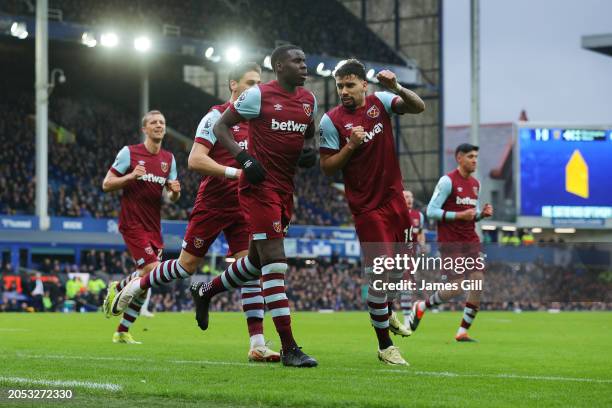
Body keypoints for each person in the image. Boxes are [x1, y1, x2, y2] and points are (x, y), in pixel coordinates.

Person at [113, 46, 318, 367]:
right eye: (248, 82)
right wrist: (237, 169)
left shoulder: (262, 112)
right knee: (186, 267)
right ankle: (139, 283)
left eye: (258, 81)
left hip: (248, 201)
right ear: (232, 85)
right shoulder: (217, 115)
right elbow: (195, 159)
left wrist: (307, 149)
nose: (255, 87)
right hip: (215, 201)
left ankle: (257, 343)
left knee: (252, 270)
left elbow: (298, 135)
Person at [319, 59, 425, 365]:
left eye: (350, 85)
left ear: (365, 84)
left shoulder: (382, 101)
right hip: (367, 208)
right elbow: (326, 168)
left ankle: (388, 310)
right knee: (381, 273)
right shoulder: (331, 121)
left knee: (398, 270)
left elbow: (419, 108)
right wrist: (350, 146)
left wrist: (397, 88)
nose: (344, 91)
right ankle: (384, 346)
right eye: (340, 86)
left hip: (394, 202)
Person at [101, 110, 181, 344]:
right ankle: (120, 291)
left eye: (162, 123)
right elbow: (107, 184)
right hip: (132, 223)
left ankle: (122, 329)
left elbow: (170, 198)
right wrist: (131, 177)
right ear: (144, 129)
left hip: (153, 227)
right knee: (152, 271)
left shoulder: (169, 159)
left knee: (146, 283)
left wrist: (175, 193)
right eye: (153, 122)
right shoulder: (130, 153)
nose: (158, 125)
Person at [407, 143, 493, 342]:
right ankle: (421, 307)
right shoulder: (447, 181)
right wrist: (459, 215)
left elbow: (471, 215)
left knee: (477, 283)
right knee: (457, 286)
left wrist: (481, 215)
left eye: (476, 157)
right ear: (459, 158)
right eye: (471, 156)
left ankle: (462, 331)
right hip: (450, 242)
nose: (474, 160)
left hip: (470, 240)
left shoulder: (475, 184)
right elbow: (431, 211)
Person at [399, 190, 426, 326]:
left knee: (406, 285)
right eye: (406, 197)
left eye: (411, 197)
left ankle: (406, 319)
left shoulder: (419, 216)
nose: (409, 199)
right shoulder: (395, 214)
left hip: (410, 257)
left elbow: (420, 234)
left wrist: (422, 245)